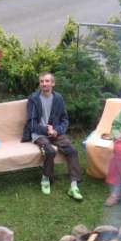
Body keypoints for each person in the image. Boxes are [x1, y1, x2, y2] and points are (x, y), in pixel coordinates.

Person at [22, 71, 83, 200]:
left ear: (53, 83)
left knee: (72, 150)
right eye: (42, 81)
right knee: (49, 151)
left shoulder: (58, 98)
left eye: (47, 81)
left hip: (54, 132)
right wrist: (46, 130)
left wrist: (56, 131)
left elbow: (65, 120)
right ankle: (45, 178)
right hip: (38, 133)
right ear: (39, 84)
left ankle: (73, 185)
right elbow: (31, 123)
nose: (44, 84)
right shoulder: (33, 98)